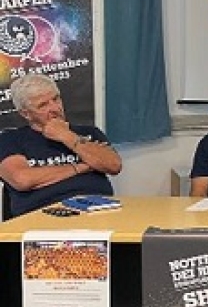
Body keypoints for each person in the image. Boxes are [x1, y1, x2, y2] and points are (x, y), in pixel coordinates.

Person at [0, 73, 122, 218]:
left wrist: (66, 136)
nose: (55, 108)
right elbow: (22, 179)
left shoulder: (89, 132)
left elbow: (114, 165)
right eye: (43, 105)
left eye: (56, 99)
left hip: (100, 211)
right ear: (26, 114)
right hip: (44, 216)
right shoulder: (10, 139)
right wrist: (82, 167)